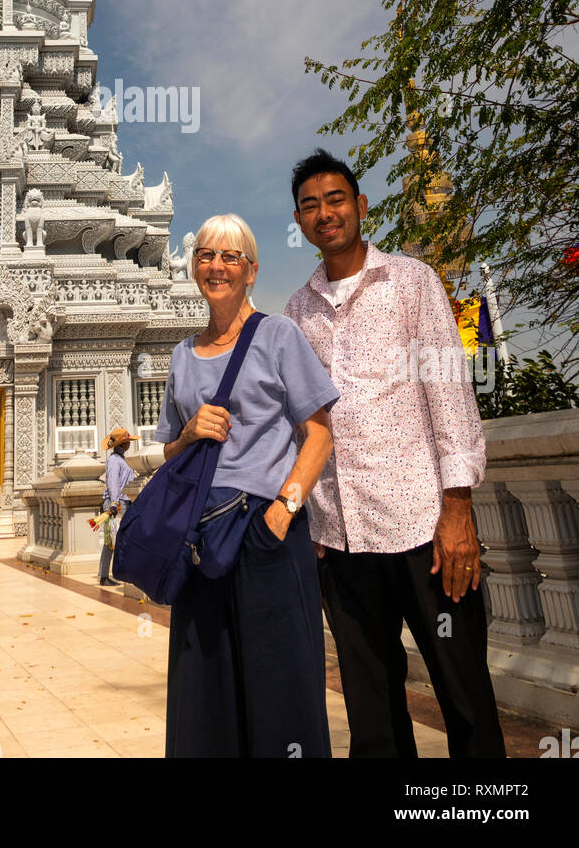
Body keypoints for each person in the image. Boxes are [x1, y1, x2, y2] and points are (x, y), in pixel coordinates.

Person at [285, 148, 506, 759]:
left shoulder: (411, 282)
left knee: (462, 693)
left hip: (423, 530)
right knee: (373, 710)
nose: (324, 214)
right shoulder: (297, 312)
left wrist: (457, 508)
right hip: (342, 534)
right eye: (310, 206)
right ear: (300, 222)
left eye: (335, 200)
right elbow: (301, 423)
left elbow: (450, 396)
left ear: (360, 206)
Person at [153, 213, 340, 758]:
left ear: (251, 270)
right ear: (193, 266)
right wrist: (187, 433)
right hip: (201, 536)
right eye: (206, 254)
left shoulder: (278, 335)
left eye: (230, 257)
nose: (216, 266)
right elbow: (167, 450)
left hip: (265, 533)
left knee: (280, 681)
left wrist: (284, 509)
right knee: (203, 682)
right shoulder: (181, 354)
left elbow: (320, 434)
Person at [97, 427, 137, 586]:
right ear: (124, 443)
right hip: (117, 504)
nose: (129, 445)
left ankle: (114, 573)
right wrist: (114, 504)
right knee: (111, 540)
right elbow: (113, 483)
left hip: (123, 503)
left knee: (119, 539)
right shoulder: (114, 460)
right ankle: (104, 575)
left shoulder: (121, 459)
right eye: (127, 442)